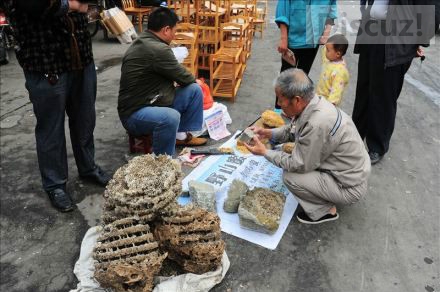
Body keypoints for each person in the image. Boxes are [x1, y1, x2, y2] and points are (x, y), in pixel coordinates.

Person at [3, 0, 111, 212]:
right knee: (50, 128)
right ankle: (55, 184)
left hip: (81, 58)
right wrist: (73, 4)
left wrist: (73, 5)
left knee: (85, 119)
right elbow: (37, 5)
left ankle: (88, 167)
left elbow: (88, 4)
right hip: (45, 62)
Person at [245, 69, 371, 224]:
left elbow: (297, 164)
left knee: (290, 176)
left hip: (349, 186)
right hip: (351, 171)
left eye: (280, 99)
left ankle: (324, 211)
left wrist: (265, 152)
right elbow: (292, 130)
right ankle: (324, 194)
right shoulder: (314, 104)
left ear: (297, 100)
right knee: (296, 156)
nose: (278, 103)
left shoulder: (317, 123)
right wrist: (268, 133)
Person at [352, 0, 436, 164]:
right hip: (372, 31)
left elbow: (431, 10)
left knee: (384, 95)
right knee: (364, 88)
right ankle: (355, 134)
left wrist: (417, 39)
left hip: (396, 39)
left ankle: (377, 146)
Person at [118, 7, 207, 156]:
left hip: (152, 100)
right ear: (166, 30)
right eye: (174, 30)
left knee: (193, 90)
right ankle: (164, 162)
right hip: (134, 115)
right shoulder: (157, 48)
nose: (174, 35)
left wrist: (192, 82)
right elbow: (183, 76)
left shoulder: (146, 40)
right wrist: (195, 80)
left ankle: (180, 136)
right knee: (171, 116)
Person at [274, 0, 337, 109]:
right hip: (292, 40)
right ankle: (279, 109)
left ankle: (295, 109)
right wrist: (283, 38)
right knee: (286, 77)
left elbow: (331, 9)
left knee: (302, 76)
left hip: (313, 41)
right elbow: (282, 10)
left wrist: (326, 33)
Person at [316, 34, 349, 106]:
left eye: (328, 50)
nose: (325, 51)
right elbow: (325, 49)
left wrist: (329, 107)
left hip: (326, 104)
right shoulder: (330, 59)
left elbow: (336, 93)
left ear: (338, 54)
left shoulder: (340, 72)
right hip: (318, 98)